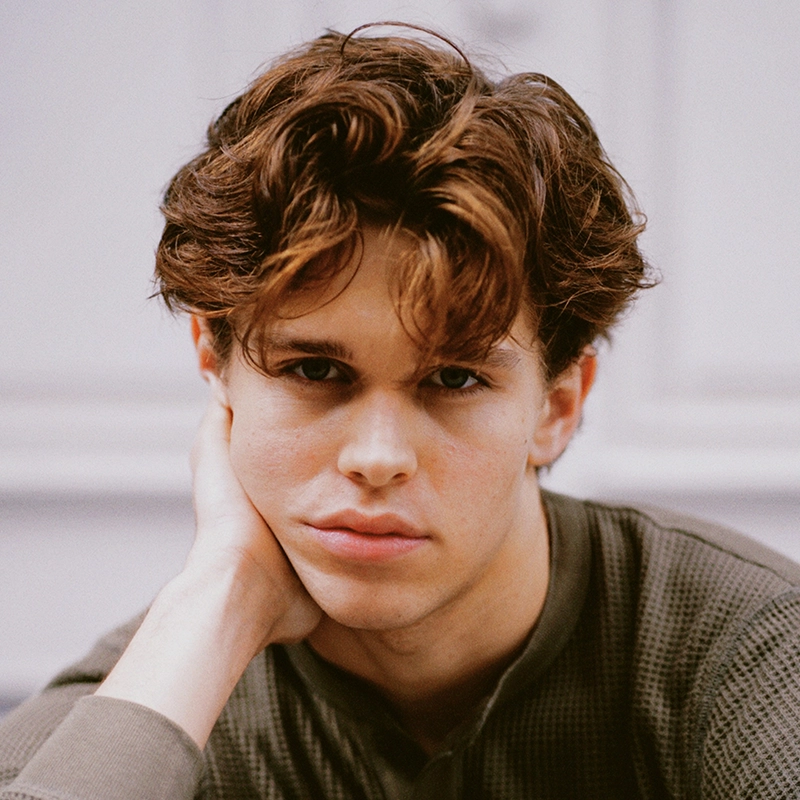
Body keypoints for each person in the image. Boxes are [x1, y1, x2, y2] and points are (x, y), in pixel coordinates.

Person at [1, 24, 799, 800]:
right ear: (215, 364)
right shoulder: (163, 686)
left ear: (557, 408)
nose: (377, 457)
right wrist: (218, 599)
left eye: (453, 380)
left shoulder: (743, 649)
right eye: (315, 369)